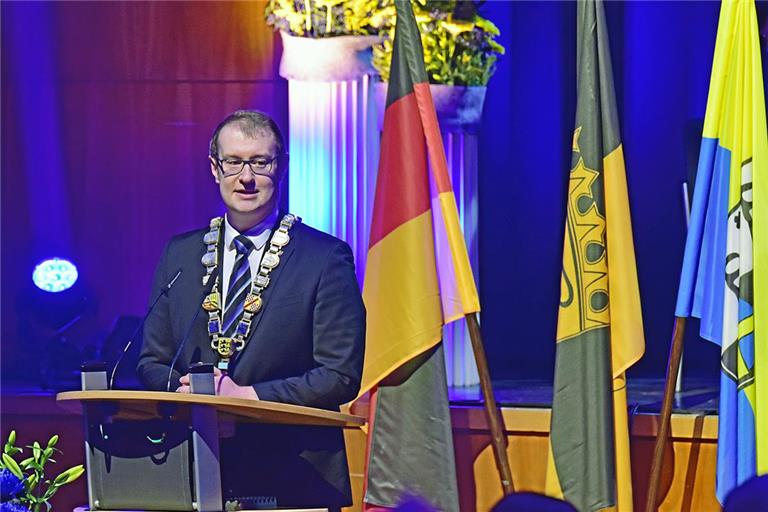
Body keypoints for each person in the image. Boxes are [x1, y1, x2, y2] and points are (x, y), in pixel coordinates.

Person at [137, 110, 366, 510]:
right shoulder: (181, 254)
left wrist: (248, 397)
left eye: (260, 162)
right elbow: (152, 360)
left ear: (282, 167)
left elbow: (339, 374)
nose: (246, 177)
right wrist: (192, 397)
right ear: (214, 168)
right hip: (193, 470)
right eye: (234, 162)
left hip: (293, 475)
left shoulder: (325, 258)